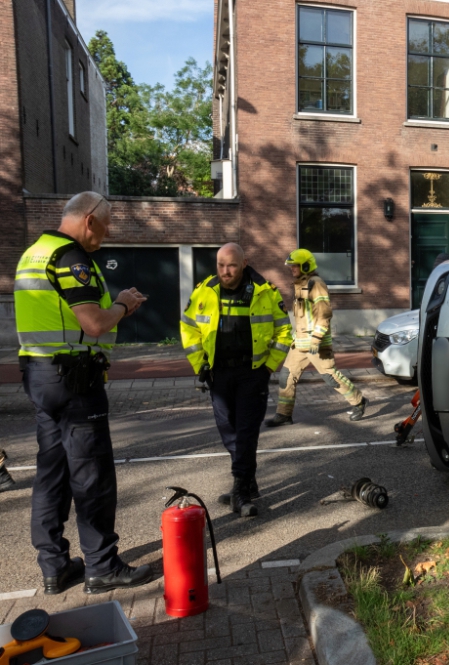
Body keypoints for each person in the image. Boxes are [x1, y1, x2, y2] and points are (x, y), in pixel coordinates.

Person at [15, 191, 154, 595]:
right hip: (75, 381)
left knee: (51, 473)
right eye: (107, 225)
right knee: (92, 474)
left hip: (41, 377)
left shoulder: (32, 254)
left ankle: (55, 567)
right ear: (89, 219)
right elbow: (94, 323)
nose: (106, 235)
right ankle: (102, 566)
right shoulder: (71, 258)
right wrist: (124, 305)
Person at [180, 244, 292, 517]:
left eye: (231, 265)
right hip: (219, 374)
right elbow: (188, 326)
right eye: (220, 265)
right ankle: (248, 481)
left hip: (252, 373)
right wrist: (200, 365)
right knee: (227, 428)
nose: (225, 271)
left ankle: (240, 489)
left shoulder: (265, 291)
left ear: (244, 263)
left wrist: (268, 367)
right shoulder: (205, 290)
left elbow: (284, 329)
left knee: (245, 431)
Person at [265, 249, 367, 427]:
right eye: (291, 266)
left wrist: (316, 339)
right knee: (286, 377)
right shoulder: (300, 285)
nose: (292, 269)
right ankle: (284, 414)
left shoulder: (316, 284)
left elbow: (324, 314)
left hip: (316, 345)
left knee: (330, 377)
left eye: (295, 266)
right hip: (300, 344)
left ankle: (359, 402)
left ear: (305, 265)